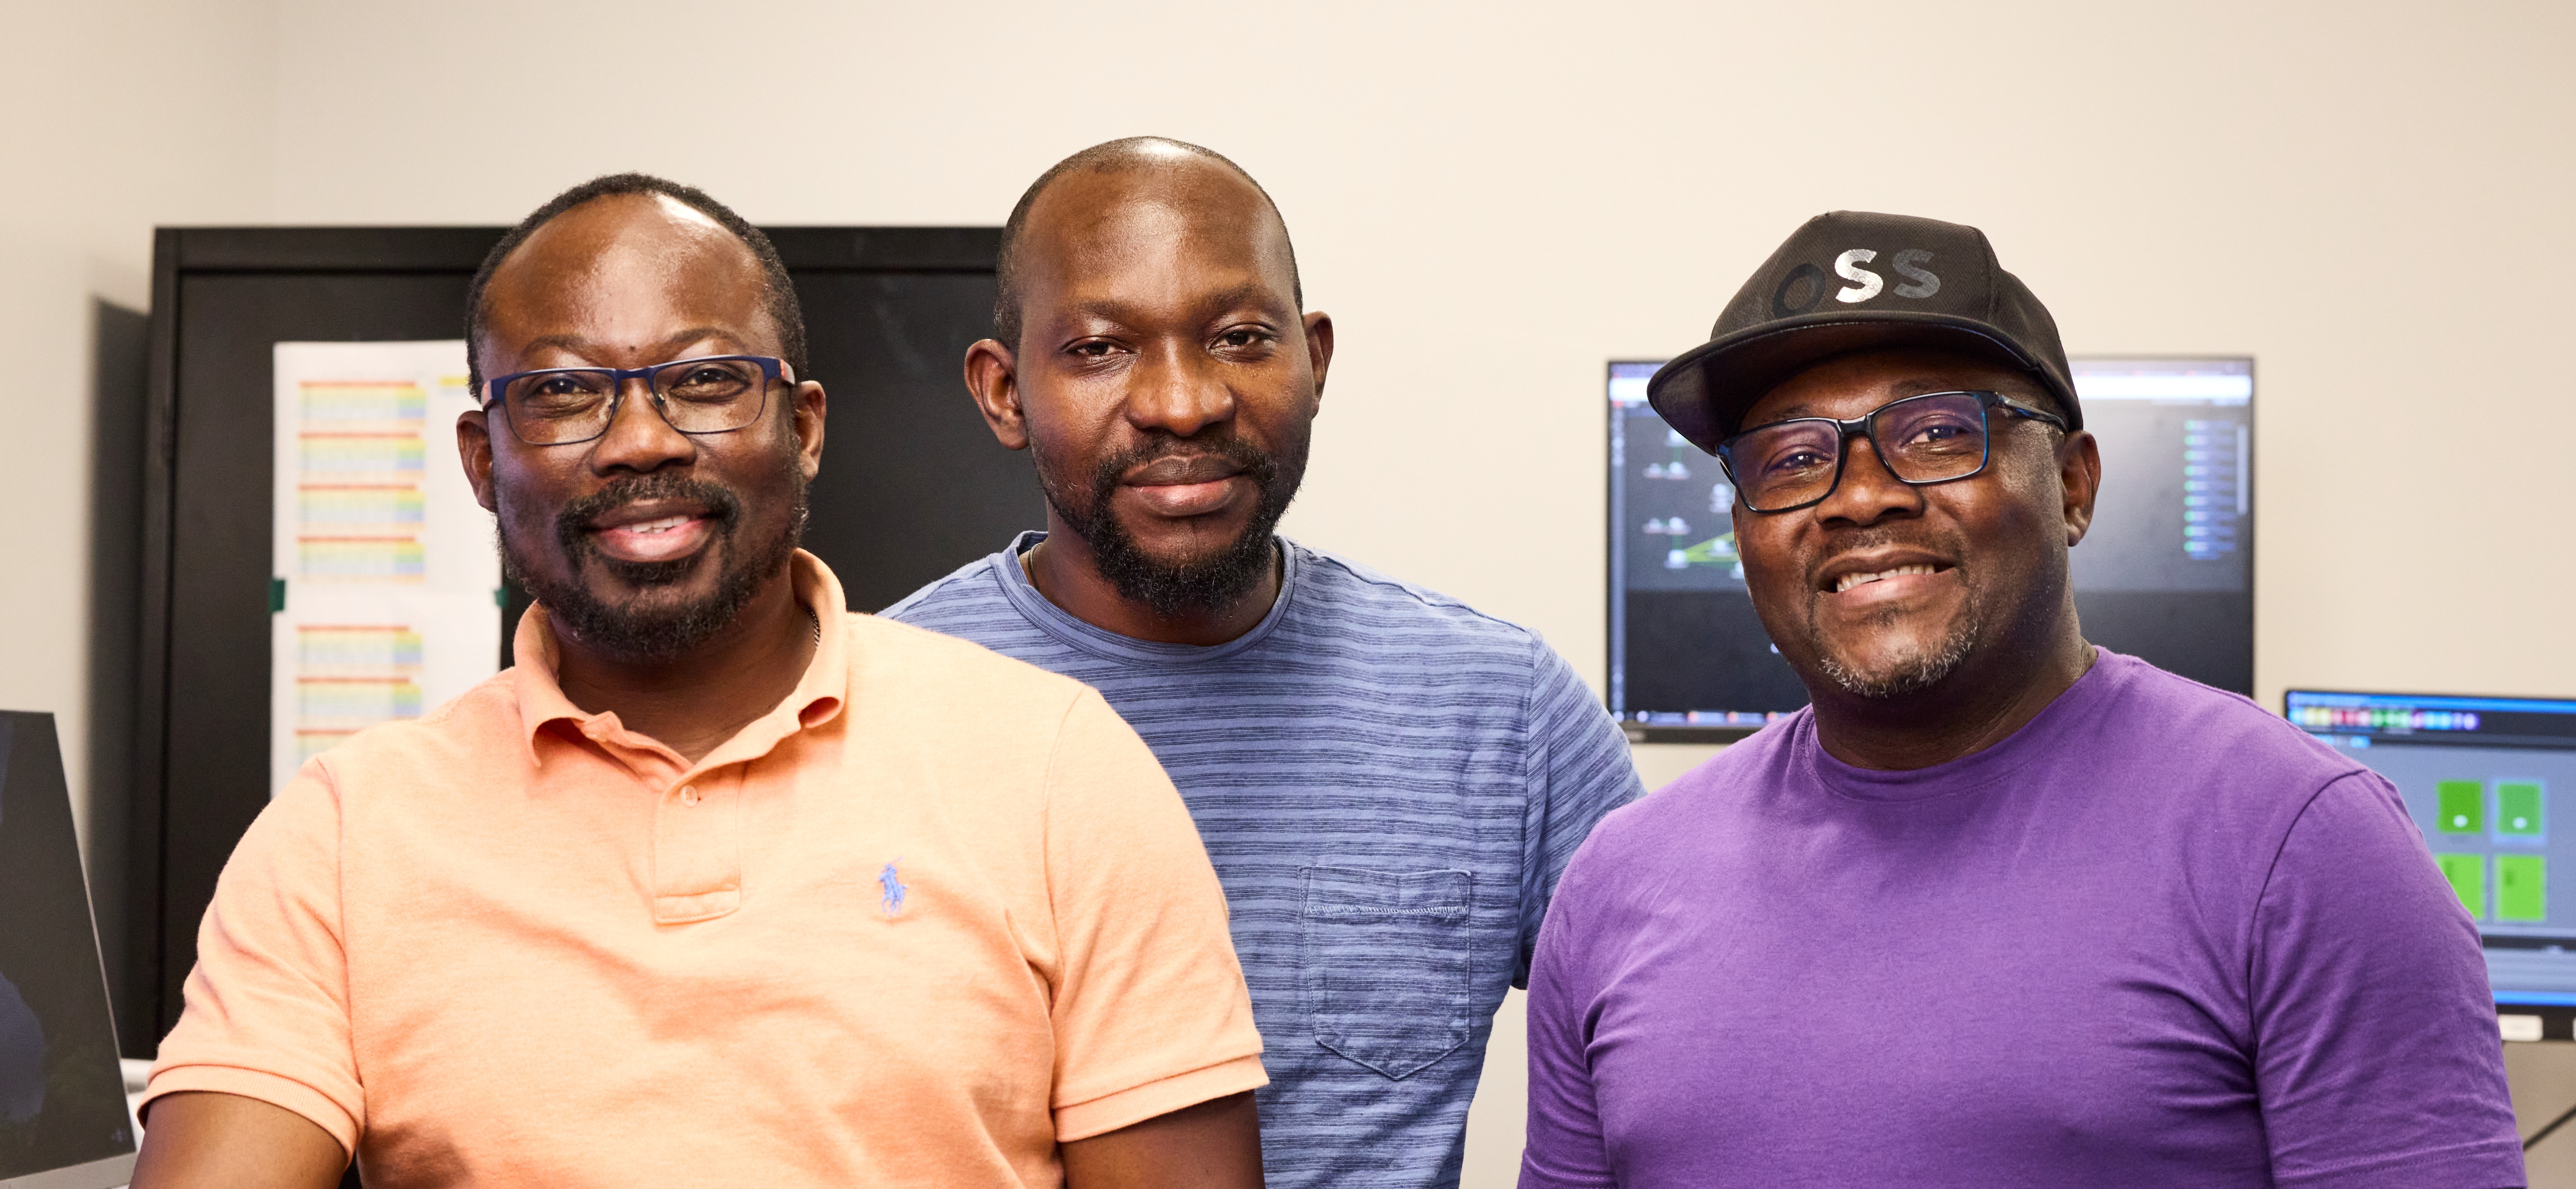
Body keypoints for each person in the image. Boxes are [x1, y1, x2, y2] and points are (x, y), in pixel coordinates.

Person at [132, 174, 1267, 1189]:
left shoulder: (1056, 767)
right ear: (484, 461)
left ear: (805, 427)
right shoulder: (342, 834)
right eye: (566, 393)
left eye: (708, 378)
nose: (640, 442)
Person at [1520, 210, 2525, 1188]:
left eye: (1937, 432)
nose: (1860, 495)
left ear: (2074, 486)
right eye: (1790, 458)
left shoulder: (2300, 845)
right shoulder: (1618, 883)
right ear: (1744, 530)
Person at [885, 137, 1643, 1189]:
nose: (1183, 403)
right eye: (1101, 349)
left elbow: (1682, 1062)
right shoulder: (874, 708)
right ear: (1004, 392)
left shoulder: (1496, 709)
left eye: (1241, 337)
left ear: (1315, 358)